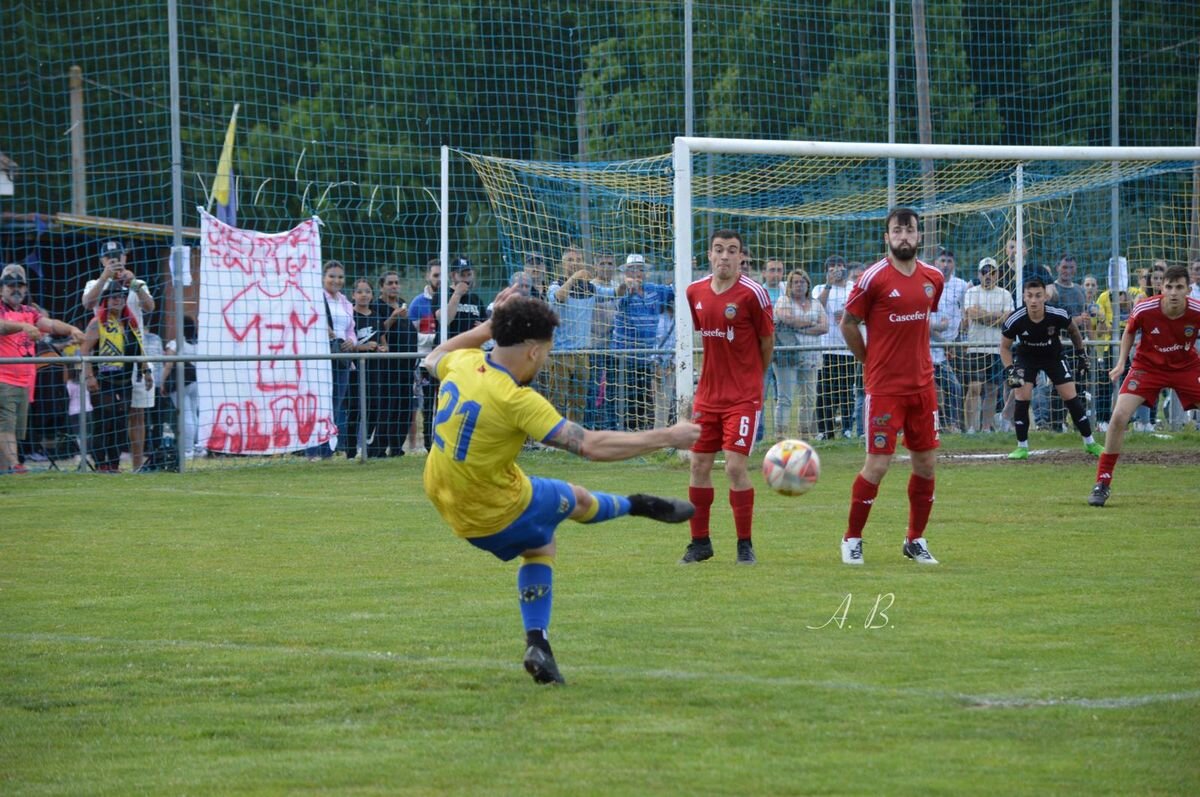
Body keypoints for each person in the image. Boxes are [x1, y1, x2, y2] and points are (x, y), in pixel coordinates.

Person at [421, 290, 699, 685]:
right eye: (548, 351)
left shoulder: (462, 363)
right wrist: (669, 436)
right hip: (494, 505)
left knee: (546, 537)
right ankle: (635, 505)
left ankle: (540, 645)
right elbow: (590, 445)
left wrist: (488, 326)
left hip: (444, 492)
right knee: (571, 504)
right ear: (533, 351)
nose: (547, 358)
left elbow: (432, 356)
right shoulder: (517, 399)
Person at [838, 208, 944, 566]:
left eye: (909, 230)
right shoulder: (872, 279)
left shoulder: (933, 278)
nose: (904, 236)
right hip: (884, 390)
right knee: (877, 465)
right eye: (897, 231)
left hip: (923, 388)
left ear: (919, 236)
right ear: (887, 237)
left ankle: (915, 540)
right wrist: (869, 361)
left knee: (926, 465)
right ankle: (852, 539)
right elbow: (848, 322)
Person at [680, 229, 775, 565]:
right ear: (709, 255)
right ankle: (699, 543)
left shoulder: (755, 294)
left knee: (735, 467)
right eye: (718, 250)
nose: (724, 256)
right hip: (707, 396)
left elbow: (767, 344)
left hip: (743, 398)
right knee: (698, 464)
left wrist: (752, 382)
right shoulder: (695, 292)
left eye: (731, 250)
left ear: (741, 257)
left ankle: (744, 545)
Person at [1089, 265, 1200, 506]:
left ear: (1188, 290)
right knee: (1118, 417)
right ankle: (1102, 483)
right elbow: (1129, 332)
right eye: (1169, 287)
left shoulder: (1197, 310)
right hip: (1147, 367)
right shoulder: (1145, 308)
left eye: (1179, 287)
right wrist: (1120, 364)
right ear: (1161, 288)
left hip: (1185, 367)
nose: (1173, 292)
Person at [999, 277, 1103, 459]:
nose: (1033, 300)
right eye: (1029, 296)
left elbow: (1073, 331)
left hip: (1053, 356)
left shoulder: (1057, 314)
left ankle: (1090, 443)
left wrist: (1081, 354)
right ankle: (1022, 447)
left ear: (1045, 297)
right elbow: (1004, 347)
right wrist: (1010, 369)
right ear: (1024, 297)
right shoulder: (1015, 319)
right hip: (1026, 358)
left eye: (1038, 296)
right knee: (1022, 396)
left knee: (1071, 397)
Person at [81, 240, 156, 470]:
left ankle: (136, 465)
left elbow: (150, 306)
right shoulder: (95, 282)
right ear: (102, 260)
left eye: (118, 256)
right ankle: (107, 463)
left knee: (137, 413)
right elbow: (87, 303)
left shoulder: (136, 282)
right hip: (108, 357)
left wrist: (133, 283)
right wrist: (105, 278)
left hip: (135, 353)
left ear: (125, 257)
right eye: (109, 257)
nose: (114, 261)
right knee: (108, 416)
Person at [0, 272, 84, 473]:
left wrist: (71, 329)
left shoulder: (30, 311)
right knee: (5, 425)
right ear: (2, 289)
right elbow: (2, 327)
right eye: (11, 286)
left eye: (20, 286)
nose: (16, 289)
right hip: (3, 378)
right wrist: (23, 326)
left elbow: (51, 324)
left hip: (25, 380)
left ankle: (5, 474)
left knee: (13, 430)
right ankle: (15, 465)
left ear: (26, 289)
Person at [611, 254, 672, 432]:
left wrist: (687, 268)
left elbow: (674, 290)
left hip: (645, 357)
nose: (636, 273)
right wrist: (627, 288)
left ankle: (639, 435)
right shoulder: (621, 291)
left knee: (643, 400)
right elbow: (619, 301)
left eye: (640, 269)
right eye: (632, 269)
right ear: (626, 272)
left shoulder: (654, 290)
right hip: (624, 358)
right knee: (624, 400)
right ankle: (624, 435)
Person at [308, 261, 356, 460]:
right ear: (323, 278)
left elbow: (350, 329)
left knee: (336, 403)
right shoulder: (316, 298)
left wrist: (350, 342)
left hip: (341, 359)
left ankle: (327, 448)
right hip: (321, 358)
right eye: (332, 276)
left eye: (340, 277)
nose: (336, 280)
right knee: (318, 403)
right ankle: (312, 449)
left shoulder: (344, 301)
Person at [771, 269, 827, 439]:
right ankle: (780, 436)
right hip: (787, 356)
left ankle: (804, 435)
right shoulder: (783, 300)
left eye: (802, 282)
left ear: (808, 284)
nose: (799, 285)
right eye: (795, 282)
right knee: (785, 398)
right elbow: (787, 319)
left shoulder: (816, 303)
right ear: (789, 285)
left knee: (809, 398)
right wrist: (812, 324)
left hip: (811, 357)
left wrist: (799, 327)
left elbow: (824, 327)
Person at [961, 257, 1013, 434]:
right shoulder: (971, 292)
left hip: (996, 348)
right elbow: (972, 314)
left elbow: (1007, 319)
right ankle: (971, 428)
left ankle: (985, 427)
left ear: (998, 274)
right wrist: (995, 316)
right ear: (979, 274)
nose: (988, 276)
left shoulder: (1005, 294)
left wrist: (984, 315)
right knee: (974, 387)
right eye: (985, 272)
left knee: (992, 389)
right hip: (976, 347)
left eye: (992, 272)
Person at [546, 246, 594, 422]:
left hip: (583, 352)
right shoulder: (555, 285)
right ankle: (551, 439)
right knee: (557, 398)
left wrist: (625, 286)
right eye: (571, 260)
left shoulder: (590, 288)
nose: (575, 263)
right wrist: (574, 278)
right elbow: (560, 297)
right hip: (561, 353)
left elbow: (612, 293)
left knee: (579, 400)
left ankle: (573, 437)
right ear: (562, 264)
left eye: (579, 260)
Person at [371, 271, 417, 457]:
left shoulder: (403, 304)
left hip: (407, 365)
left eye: (397, 282)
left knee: (405, 408)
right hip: (387, 367)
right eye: (390, 283)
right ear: (381, 286)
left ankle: (397, 447)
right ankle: (379, 448)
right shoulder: (377, 307)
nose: (394, 286)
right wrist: (394, 317)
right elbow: (376, 330)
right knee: (387, 407)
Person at [812, 255, 857, 439]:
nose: (836, 269)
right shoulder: (819, 288)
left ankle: (846, 429)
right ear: (826, 271)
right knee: (825, 392)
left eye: (840, 265)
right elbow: (817, 309)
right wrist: (829, 285)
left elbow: (860, 311)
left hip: (848, 348)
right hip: (826, 349)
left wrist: (848, 315)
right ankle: (825, 431)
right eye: (832, 267)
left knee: (847, 391)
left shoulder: (852, 287)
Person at [160, 315, 202, 460]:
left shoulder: (176, 343)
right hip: (197, 381)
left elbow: (168, 365)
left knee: (185, 415)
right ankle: (197, 446)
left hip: (181, 382)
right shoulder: (198, 343)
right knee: (194, 413)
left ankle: (188, 450)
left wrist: (162, 382)